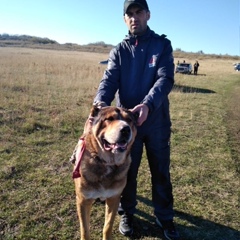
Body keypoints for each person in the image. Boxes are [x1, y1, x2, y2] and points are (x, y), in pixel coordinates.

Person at [72, 0, 180, 239]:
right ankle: (127, 213)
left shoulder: (162, 45)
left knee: (160, 171)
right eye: (129, 14)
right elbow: (109, 80)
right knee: (125, 172)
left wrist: (148, 105)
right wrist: (100, 103)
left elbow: (165, 79)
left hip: (156, 123)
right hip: (125, 126)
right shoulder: (119, 51)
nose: (134, 17)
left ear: (148, 15)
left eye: (138, 12)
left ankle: (165, 217)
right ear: (124, 19)